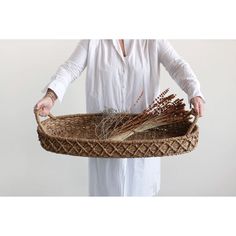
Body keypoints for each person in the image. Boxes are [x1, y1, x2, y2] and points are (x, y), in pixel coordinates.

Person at [34, 40, 205, 196]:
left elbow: (177, 65)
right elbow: (70, 68)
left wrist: (195, 93)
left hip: (144, 142)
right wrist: (51, 96)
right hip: (105, 140)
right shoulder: (93, 40)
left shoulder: (152, 40)